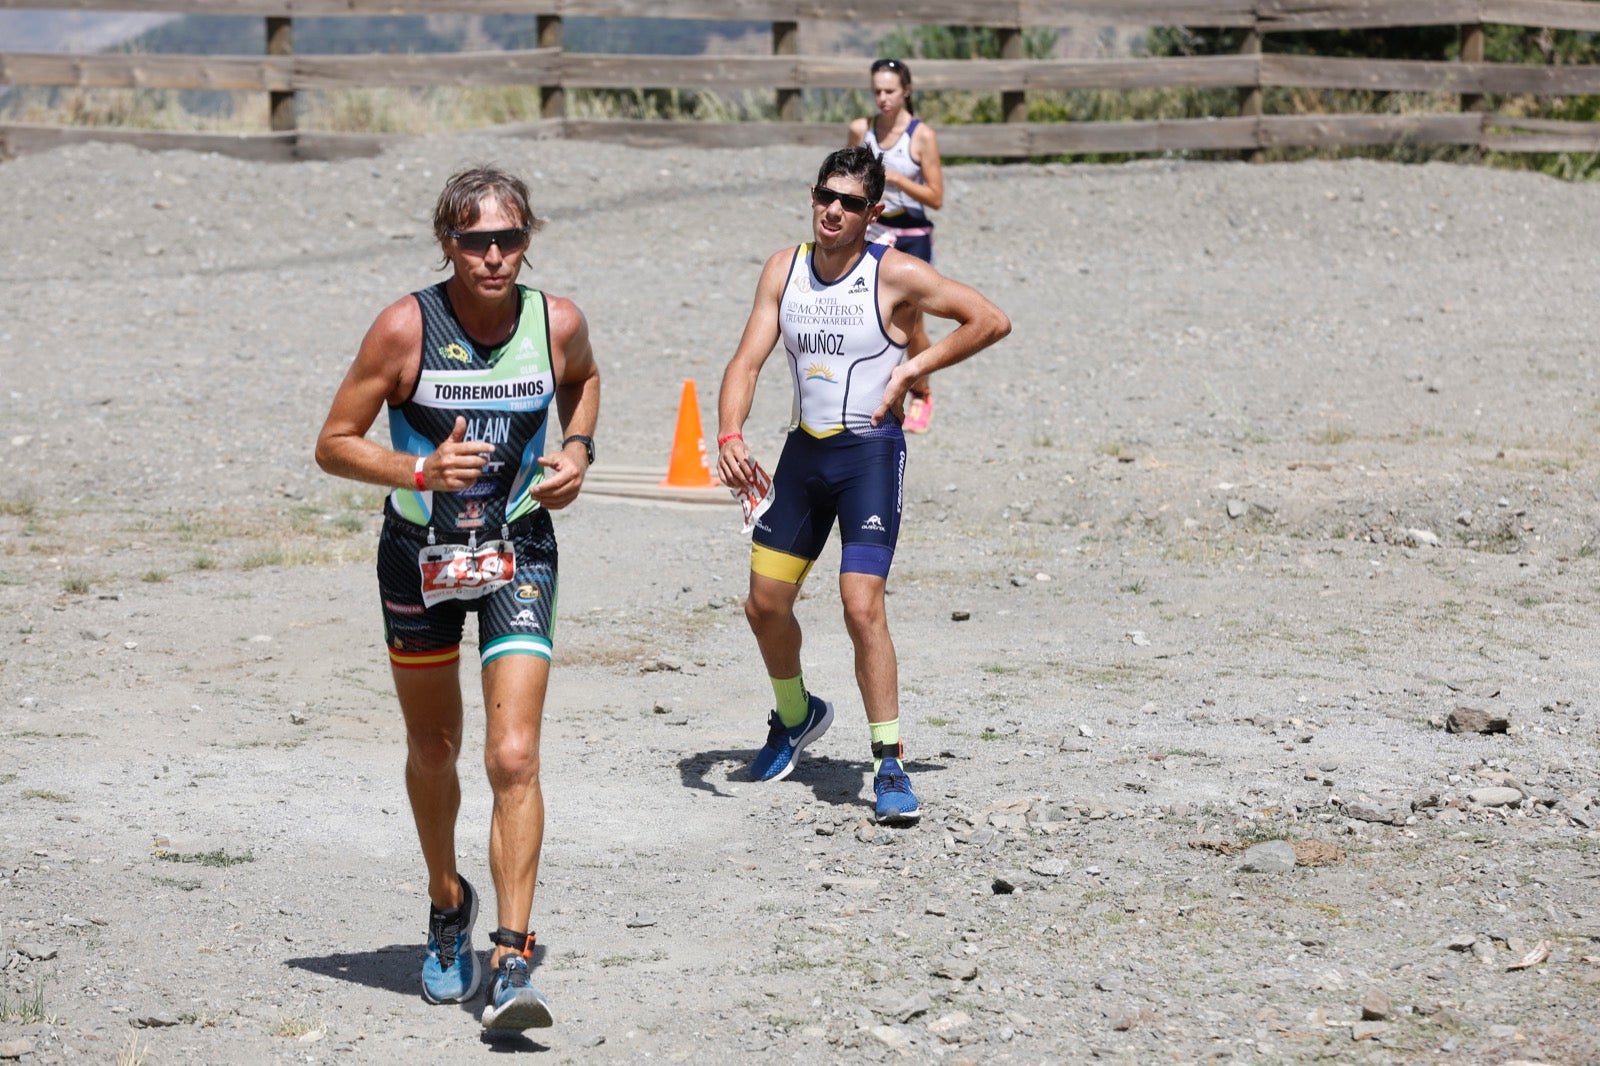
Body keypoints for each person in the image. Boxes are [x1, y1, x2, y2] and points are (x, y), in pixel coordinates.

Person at [314, 165, 599, 1031]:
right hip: (417, 557)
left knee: (513, 758)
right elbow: (332, 443)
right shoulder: (406, 327)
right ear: (448, 243)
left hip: (518, 553)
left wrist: (577, 451)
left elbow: (585, 382)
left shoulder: (557, 322)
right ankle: (449, 908)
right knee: (434, 751)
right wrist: (418, 468)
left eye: (510, 239)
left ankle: (512, 958)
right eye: (475, 240)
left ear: (527, 240)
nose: (494, 257)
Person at [715, 146, 1009, 824]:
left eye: (849, 202)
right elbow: (746, 359)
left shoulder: (896, 272)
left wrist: (913, 371)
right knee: (763, 605)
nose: (832, 210)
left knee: (859, 605)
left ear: (872, 214)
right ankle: (796, 717)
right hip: (803, 455)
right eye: (824, 196)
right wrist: (730, 434)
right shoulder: (782, 271)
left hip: (870, 453)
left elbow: (990, 319)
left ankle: (889, 762)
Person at [847, 57, 944, 433]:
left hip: (912, 234)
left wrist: (900, 181)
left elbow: (936, 197)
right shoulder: (861, 130)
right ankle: (871, 391)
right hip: (873, 228)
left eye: (890, 91)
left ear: (906, 91)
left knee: (912, 323)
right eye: (877, 92)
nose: (883, 99)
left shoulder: (922, 136)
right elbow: (849, 176)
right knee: (868, 314)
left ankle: (921, 391)